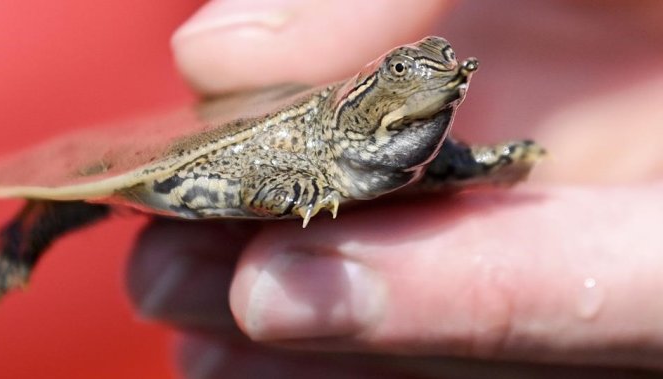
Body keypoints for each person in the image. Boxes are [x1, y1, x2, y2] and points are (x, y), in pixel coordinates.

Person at [126, 1, 663, 377]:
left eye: (438, 63)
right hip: (193, 151)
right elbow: (263, 190)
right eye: (403, 69)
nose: (431, 74)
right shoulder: (307, 148)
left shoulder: (434, 155)